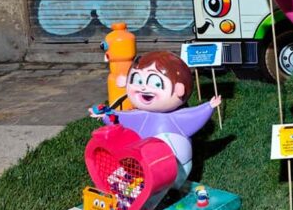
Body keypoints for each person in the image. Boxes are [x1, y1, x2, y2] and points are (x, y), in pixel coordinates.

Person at [89, 51, 220, 202]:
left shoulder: (176, 118)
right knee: (146, 176)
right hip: (144, 162)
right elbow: (120, 118)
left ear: (179, 89)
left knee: (171, 179)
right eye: (137, 80)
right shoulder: (139, 116)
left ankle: (171, 190)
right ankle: (149, 190)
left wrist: (208, 107)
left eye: (156, 83)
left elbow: (193, 116)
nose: (144, 88)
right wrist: (105, 114)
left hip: (177, 164)